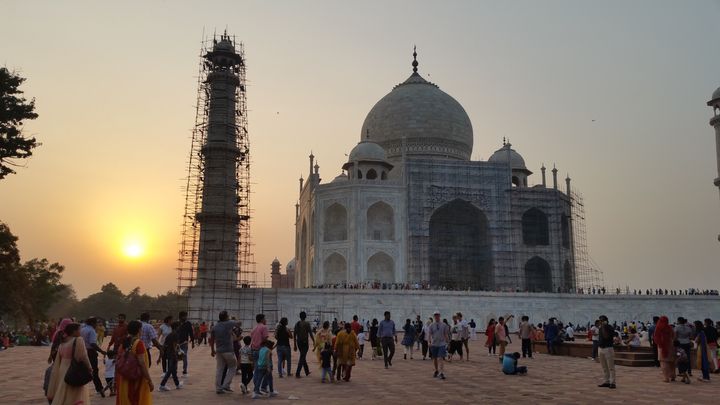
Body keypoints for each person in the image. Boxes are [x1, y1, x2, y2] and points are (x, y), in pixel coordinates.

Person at [46, 322, 92, 405]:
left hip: (63, 369)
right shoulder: (78, 340)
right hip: (74, 369)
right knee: (75, 393)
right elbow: (83, 356)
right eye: (79, 330)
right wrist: (89, 367)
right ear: (74, 331)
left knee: (64, 392)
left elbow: (58, 360)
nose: (80, 332)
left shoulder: (62, 344)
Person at [115, 320, 154, 405]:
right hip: (135, 379)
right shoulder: (138, 343)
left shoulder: (123, 342)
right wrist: (149, 380)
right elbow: (142, 363)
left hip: (123, 378)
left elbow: (118, 360)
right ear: (139, 330)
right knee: (135, 400)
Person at [210, 311, 239, 394]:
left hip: (219, 350)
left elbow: (212, 340)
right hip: (228, 350)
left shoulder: (215, 327)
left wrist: (212, 350)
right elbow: (239, 323)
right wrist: (231, 321)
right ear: (226, 317)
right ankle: (226, 385)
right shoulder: (228, 323)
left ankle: (218, 388)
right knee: (233, 367)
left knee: (219, 369)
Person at [81, 317, 107, 397]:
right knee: (94, 371)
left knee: (83, 370)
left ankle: (80, 388)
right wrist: (102, 351)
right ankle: (99, 388)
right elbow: (92, 344)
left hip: (83, 351)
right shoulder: (91, 331)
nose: (97, 325)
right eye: (96, 323)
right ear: (93, 323)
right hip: (90, 352)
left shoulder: (83, 329)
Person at [159, 321, 182, 391]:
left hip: (168, 353)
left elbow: (164, 346)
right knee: (170, 370)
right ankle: (162, 385)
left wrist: (159, 356)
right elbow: (174, 345)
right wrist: (177, 352)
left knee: (173, 370)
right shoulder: (175, 335)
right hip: (173, 354)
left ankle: (177, 384)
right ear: (177, 327)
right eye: (179, 326)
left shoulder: (169, 335)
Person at [653, 316, 675, 383]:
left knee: (663, 362)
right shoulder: (670, 327)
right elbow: (673, 336)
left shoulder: (658, 327)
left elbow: (656, 337)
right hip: (670, 345)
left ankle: (666, 378)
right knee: (671, 361)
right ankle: (673, 375)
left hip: (662, 345)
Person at [428, 310, 450, 380]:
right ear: (434, 316)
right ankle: (436, 370)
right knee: (435, 358)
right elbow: (429, 334)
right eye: (435, 315)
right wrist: (429, 342)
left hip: (442, 343)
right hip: (434, 343)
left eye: (437, 315)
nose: (436, 316)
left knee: (441, 358)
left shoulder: (444, 325)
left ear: (439, 316)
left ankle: (441, 372)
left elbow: (446, 334)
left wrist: (448, 342)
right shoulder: (431, 325)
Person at [597, 315, 617, 389]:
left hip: (608, 348)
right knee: (604, 367)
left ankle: (613, 382)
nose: (600, 321)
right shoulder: (600, 328)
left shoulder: (609, 327)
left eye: (602, 320)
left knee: (611, 367)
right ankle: (606, 381)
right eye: (600, 320)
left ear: (605, 320)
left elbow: (606, 336)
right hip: (601, 348)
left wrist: (604, 326)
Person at [293, 311, 314, 378]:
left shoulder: (297, 323)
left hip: (299, 342)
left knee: (302, 356)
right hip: (305, 342)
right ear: (305, 316)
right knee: (302, 357)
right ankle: (297, 373)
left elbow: (294, 334)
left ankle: (306, 371)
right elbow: (310, 333)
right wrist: (314, 341)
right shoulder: (307, 323)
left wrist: (295, 344)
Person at [177, 311, 194, 376]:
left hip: (184, 342)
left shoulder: (188, 323)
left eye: (186, 316)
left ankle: (185, 371)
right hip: (176, 343)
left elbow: (191, 332)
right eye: (185, 316)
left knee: (184, 356)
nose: (186, 317)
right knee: (176, 357)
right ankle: (174, 371)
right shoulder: (177, 323)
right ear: (181, 316)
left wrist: (192, 342)